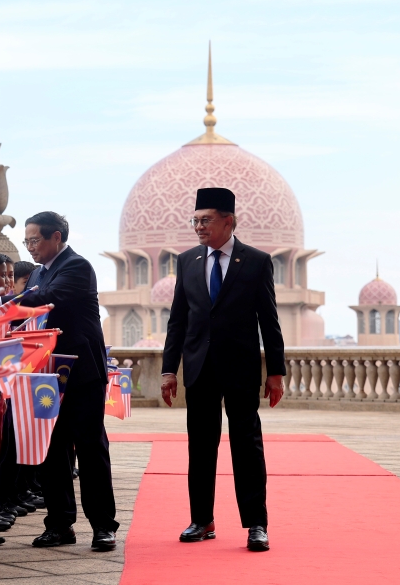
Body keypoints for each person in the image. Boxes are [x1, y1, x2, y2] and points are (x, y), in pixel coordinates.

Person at [160, 187, 285, 552]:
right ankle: (202, 520)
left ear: (228, 221)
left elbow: (269, 321)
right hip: (198, 369)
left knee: (247, 447)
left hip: (241, 369)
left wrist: (275, 372)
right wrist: (169, 370)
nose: (199, 227)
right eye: (195, 220)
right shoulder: (186, 261)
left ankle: (256, 524)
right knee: (201, 447)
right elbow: (177, 322)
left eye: (206, 220)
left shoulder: (257, 261)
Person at [19, 211, 119, 552]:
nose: (30, 247)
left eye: (35, 240)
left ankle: (103, 525)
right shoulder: (36, 272)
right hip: (45, 373)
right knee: (51, 451)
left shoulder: (77, 267)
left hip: (81, 373)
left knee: (90, 449)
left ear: (56, 238)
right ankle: (60, 524)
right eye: (27, 241)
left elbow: (43, 299)